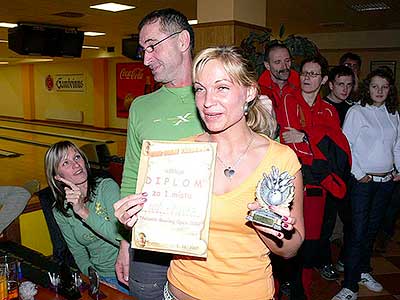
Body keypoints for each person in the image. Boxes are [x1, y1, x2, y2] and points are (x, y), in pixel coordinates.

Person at [115, 45, 304, 300]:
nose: (206, 101)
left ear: (249, 92)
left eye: (222, 88)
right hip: (178, 293)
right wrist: (137, 221)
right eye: (200, 89)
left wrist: (265, 223)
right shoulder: (179, 154)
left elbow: (290, 249)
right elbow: (162, 230)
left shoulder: (279, 159)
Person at [115, 8, 204, 300]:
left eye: (153, 46)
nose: (146, 58)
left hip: (205, 246)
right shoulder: (141, 106)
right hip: (150, 244)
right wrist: (125, 242)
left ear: (182, 41)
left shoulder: (219, 100)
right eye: (143, 50)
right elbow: (132, 176)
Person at [276, 55, 351, 299]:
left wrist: (307, 134)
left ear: (324, 79)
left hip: (318, 186)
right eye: (305, 73)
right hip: (293, 181)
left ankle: (302, 289)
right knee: (286, 237)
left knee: (311, 242)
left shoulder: (328, 110)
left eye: (314, 74)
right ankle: (278, 287)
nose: (308, 78)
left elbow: (337, 146)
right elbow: (289, 140)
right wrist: (317, 143)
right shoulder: (289, 99)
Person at [333, 68, 400, 300]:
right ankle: (349, 285)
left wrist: (398, 169)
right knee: (358, 233)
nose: (379, 91)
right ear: (367, 88)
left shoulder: (393, 113)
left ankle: (362, 271)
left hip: (386, 182)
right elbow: (346, 145)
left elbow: (397, 144)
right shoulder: (357, 112)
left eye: (384, 87)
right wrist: (359, 173)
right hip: (363, 183)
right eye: (375, 86)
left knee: (371, 232)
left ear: (390, 89)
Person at [44, 141, 128, 294]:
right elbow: (78, 251)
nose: (76, 165)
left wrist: (83, 211)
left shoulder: (107, 187)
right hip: (100, 276)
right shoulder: (61, 211)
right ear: (57, 176)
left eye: (77, 157)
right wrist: (94, 278)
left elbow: (122, 236)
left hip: (129, 272)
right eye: (66, 163)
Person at [317, 65, 355, 280]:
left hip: (349, 174)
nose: (345, 89)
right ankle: (323, 262)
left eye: (349, 85)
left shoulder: (353, 109)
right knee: (326, 223)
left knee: (351, 222)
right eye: (341, 84)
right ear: (330, 84)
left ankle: (344, 260)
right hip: (329, 175)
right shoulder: (322, 108)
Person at [258, 42, 300, 110]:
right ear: (267, 65)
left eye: (287, 61)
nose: (284, 66)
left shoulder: (302, 86)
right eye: (278, 62)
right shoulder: (259, 92)